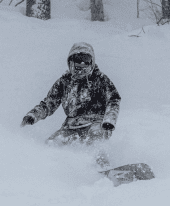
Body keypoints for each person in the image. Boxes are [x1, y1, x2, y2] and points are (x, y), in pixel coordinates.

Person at [21, 42, 121, 170]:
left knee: (95, 140)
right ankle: (48, 171)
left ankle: (104, 169)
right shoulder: (64, 82)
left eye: (86, 60)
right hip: (71, 125)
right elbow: (49, 103)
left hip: (96, 121)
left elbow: (113, 99)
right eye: (78, 60)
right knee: (51, 144)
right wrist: (33, 115)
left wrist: (109, 120)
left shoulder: (100, 79)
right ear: (70, 61)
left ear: (92, 62)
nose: (82, 65)